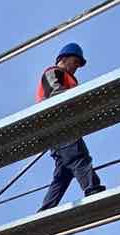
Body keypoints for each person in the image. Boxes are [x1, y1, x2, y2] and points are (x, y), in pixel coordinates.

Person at [36, 42, 105, 211]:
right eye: (75, 62)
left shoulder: (65, 76)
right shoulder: (54, 72)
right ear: (64, 59)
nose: (76, 67)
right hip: (59, 125)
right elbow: (55, 94)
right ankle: (92, 189)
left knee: (64, 173)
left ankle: (46, 209)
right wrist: (81, 100)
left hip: (57, 127)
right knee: (78, 157)